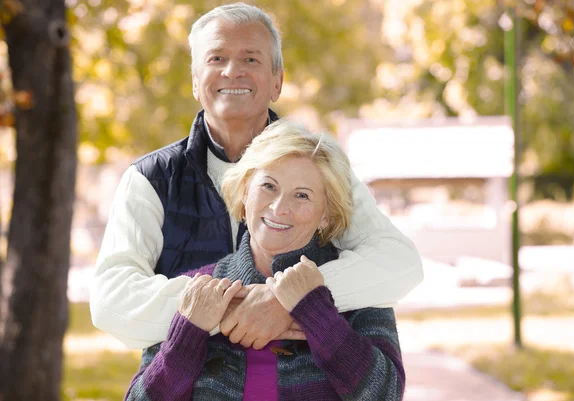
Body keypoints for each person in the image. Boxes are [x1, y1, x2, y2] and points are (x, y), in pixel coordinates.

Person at [90, 2, 423, 351]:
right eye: (216, 58)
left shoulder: (320, 166)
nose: (233, 71)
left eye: (251, 59)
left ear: (277, 82)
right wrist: (231, 309)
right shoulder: (149, 180)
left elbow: (400, 263)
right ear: (194, 81)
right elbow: (111, 301)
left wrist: (287, 302)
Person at [125, 120, 405, 401]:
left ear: (325, 215)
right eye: (269, 186)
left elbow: (386, 394)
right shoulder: (198, 291)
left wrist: (315, 311)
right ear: (246, 191)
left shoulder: (361, 287)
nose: (279, 207)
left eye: (302, 195)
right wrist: (186, 336)